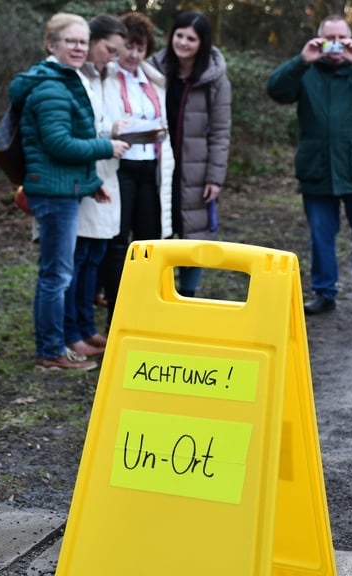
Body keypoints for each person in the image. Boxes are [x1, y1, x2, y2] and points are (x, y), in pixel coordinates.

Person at [10, 12, 130, 371]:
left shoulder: (64, 80)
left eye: (82, 41)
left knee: (58, 272)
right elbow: (60, 145)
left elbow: (62, 151)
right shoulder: (51, 86)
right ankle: (50, 352)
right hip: (53, 194)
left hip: (65, 188)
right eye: (70, 41)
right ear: (52, 45)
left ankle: (58, 345)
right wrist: (106, 147)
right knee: (56, 275)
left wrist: (93, 186)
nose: (78, 47)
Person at [266, 15, 352, 318]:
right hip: (318, 169)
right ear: (319, 40)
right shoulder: (307, 72)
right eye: (331, 38)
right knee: (321, 236)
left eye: (343, 38)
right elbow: (276, 90)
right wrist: (301, 61)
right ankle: (324, 293)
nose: (337, 44)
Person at [99, 11, 175, 326]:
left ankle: (148, 312)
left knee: (149, 240)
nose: (133, 55)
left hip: (151, 168)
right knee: (117, 243)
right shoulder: (104, 77)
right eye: (128, 46)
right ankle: (117, 314)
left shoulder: (154, 80)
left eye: (140, 48)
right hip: (119, 166)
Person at [148, 11, 231, 298]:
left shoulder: (215, 78)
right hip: (156, 164)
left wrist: (215, 177)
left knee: (193, 232)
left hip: (195, 167)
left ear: (202, 42)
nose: (182, 42)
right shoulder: (153, 69)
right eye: (179, 35)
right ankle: (159, 292)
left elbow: (221, 131)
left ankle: (187, 293)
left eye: (191, 38)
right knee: (158, 229)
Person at [63, 14, 128, 360]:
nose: (112, 57)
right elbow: (78, 132)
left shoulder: (108, 77)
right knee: (76, 257)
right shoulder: (74, 78)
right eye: (109, 49)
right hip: (81, 174)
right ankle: (70, 330)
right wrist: (109, 137)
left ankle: (86, 326)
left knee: (93, 255)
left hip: (105, 171)